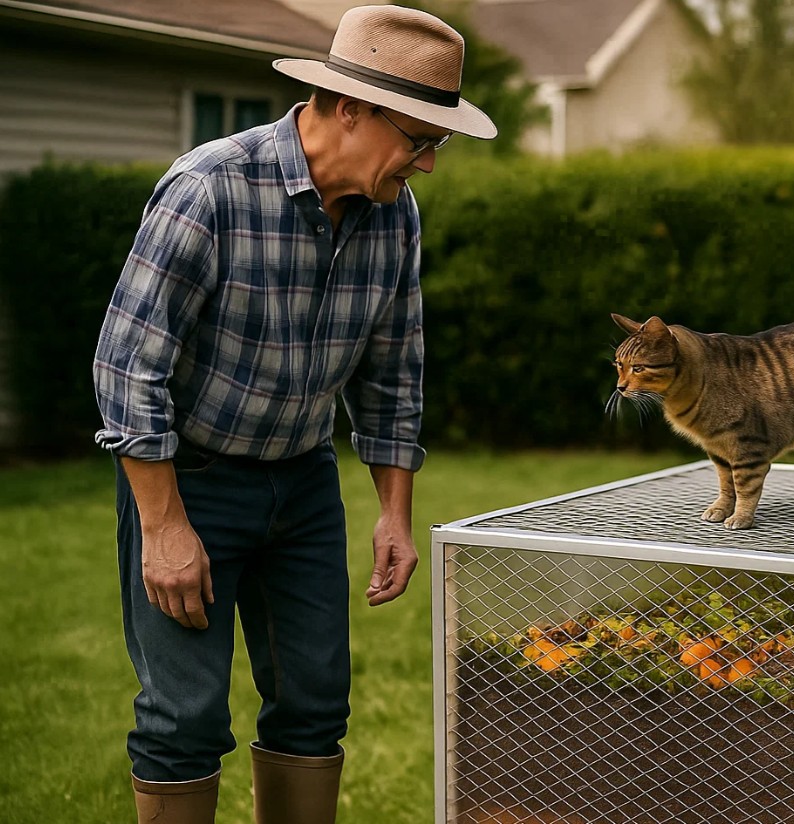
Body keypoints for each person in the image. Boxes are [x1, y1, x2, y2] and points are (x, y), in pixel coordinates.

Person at [91, 6, 496, 822]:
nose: (426, 162)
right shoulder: (209, 188)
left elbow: (393, 372)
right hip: (193, 482)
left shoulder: (395, 215)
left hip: (304, 488)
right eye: (419, 137)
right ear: (348, 106)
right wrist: (164, 527)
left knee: (314, 706)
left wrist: (392, 513)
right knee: (184, 718)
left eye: (436, 142)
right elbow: (127, 367)